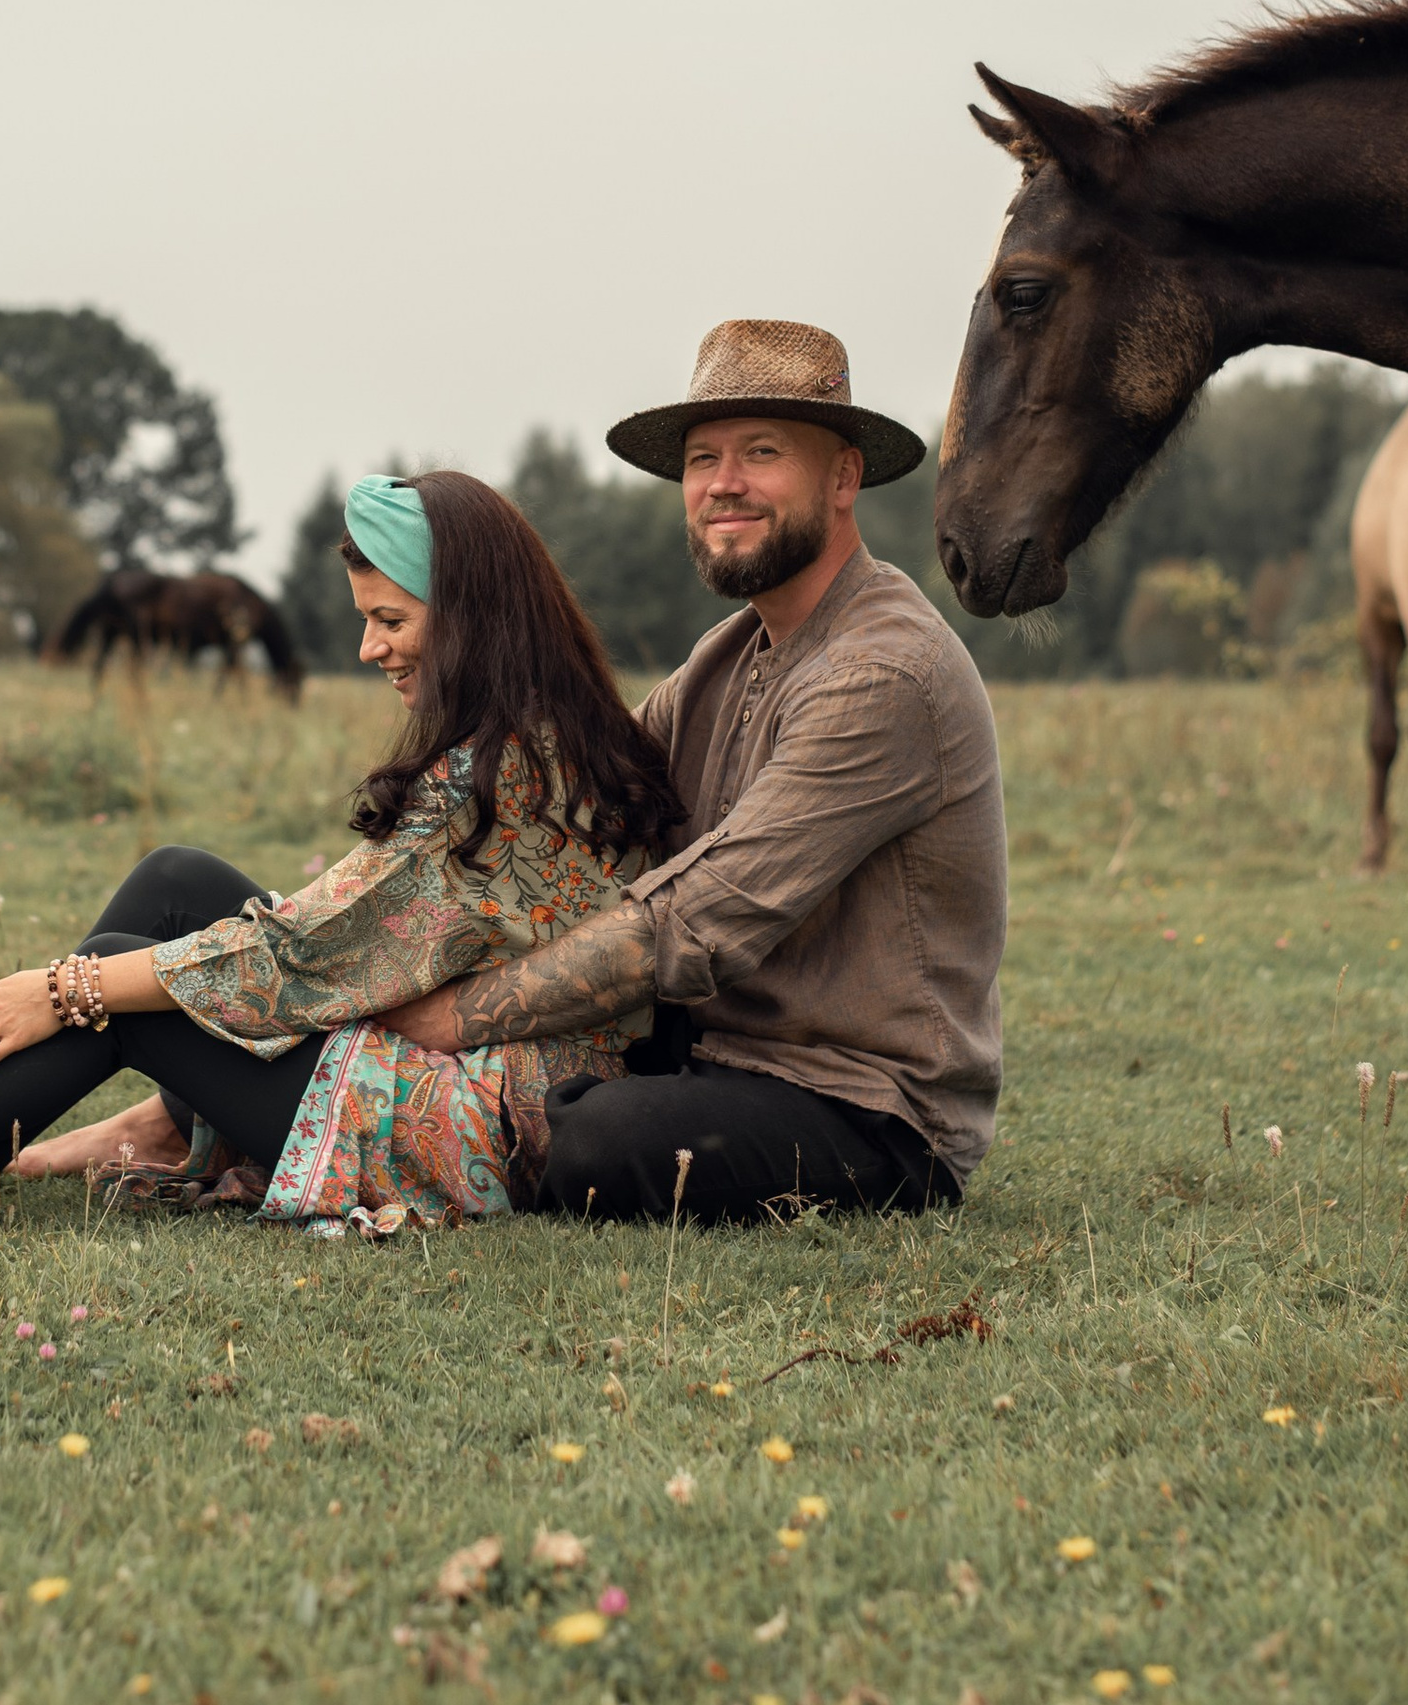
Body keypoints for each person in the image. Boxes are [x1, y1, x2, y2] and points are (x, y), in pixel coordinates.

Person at [0, 470, 681, 1238]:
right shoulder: (539, 736)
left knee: (119, 979)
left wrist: (69, 988)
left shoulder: (497, 780)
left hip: (469, 1132)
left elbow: (304, 960)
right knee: (176, 882)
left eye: (389, 620)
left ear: (470, 619)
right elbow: (333, 935)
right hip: (458, 1070)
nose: (370, 648)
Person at [378, 320, 1006, 1223]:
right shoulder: (734, 649)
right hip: (706, 1056)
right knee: (184, 892)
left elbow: (697, 920)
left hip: (866, 1110)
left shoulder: (884, 673)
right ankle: (168, 1106)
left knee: (600, 1140)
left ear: (842, 477)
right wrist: (379, 907)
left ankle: (232, 1112)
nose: (724, 485)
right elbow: (582, 798)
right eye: (703, 458)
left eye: (761, 452)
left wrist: (457, 1017)